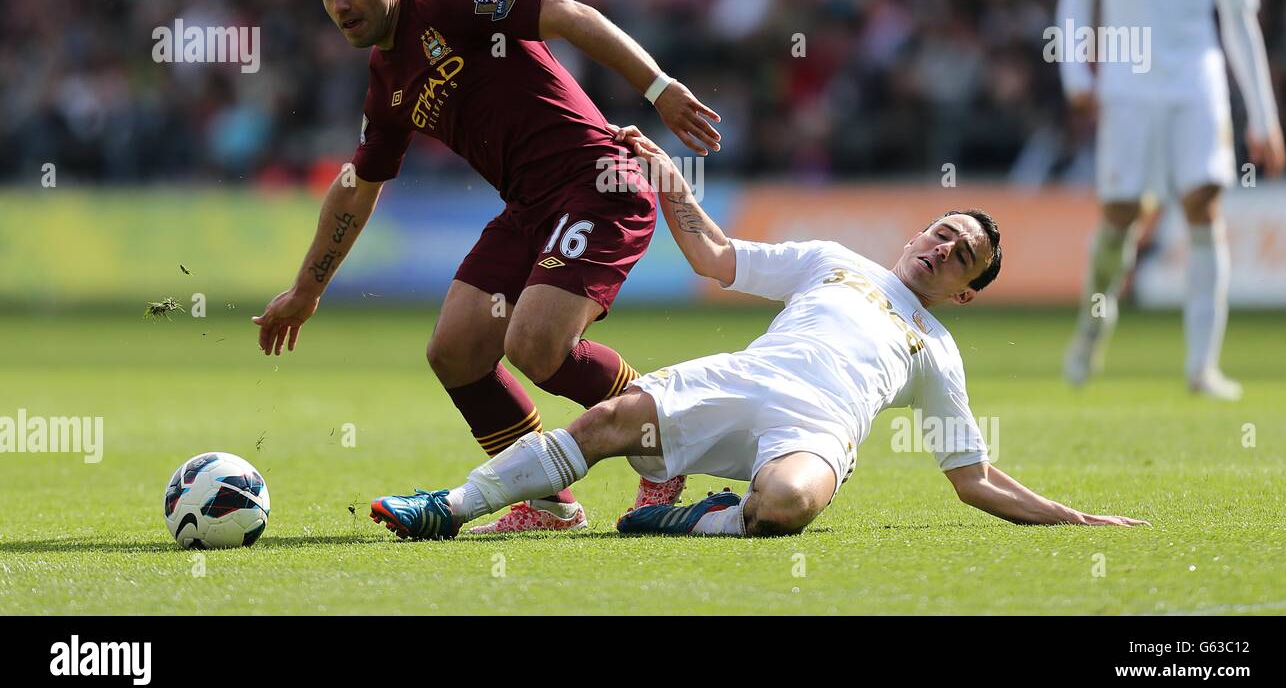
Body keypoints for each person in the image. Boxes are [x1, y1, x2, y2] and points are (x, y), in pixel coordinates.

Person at [369, 127, 1149, 539]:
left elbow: (973, 478)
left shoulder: (938, 351)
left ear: (966, 293)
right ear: (922, 230)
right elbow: (715, 257)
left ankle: (686, 518)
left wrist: (1074, 517)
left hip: (812, 432)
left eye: (963, 256)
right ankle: (451, 505)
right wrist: (671, 182)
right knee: (605, 422)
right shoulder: (833, 260)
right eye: (943, 232)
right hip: (737, 379)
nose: (943, 248)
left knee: (788, 507)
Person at [254, 0, 722, 532]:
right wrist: (307, 290)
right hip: (528, 209)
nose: (340, 5)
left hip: (596, 186)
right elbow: (356, 190)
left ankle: (665, 442)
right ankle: (549, 502)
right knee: (456, 352)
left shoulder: (451, 3)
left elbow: (566, 14)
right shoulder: (385, 84)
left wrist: (657, 88)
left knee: (534, 346)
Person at [1056, 0, 1286, 399]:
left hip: (1195, 85)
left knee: (1204, 210)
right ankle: (1091, 328)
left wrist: (1263, 116)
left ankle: (1201, 367)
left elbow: (1240, 24)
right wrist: (1076, 76)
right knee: (1120, 218)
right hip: (1128, 86)